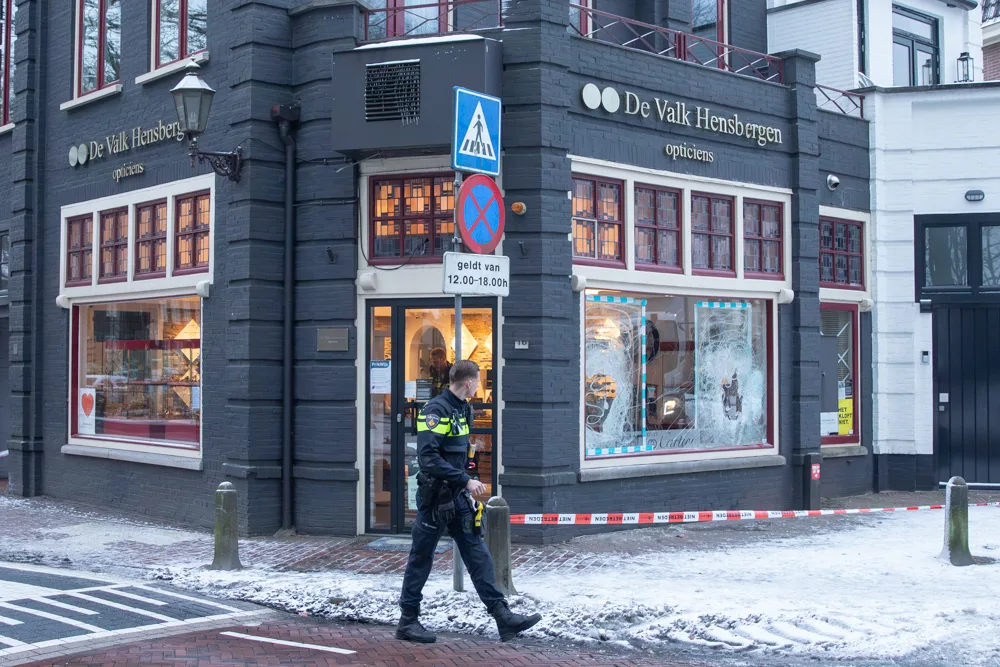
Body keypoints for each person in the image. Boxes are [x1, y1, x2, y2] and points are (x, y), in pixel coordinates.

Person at [397, 359, 541, 644]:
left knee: (478, 554)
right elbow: (427, 458)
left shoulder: (461, 409)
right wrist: (465, 480)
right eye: (478, 381)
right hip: (435, 500)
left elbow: (456, 454)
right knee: (421, 558)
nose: (479, 385)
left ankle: (503, 617)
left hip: (456, 498)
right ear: (469, 382)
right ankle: (407, 621)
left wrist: (464, 482)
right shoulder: (435, 410)